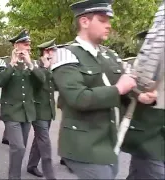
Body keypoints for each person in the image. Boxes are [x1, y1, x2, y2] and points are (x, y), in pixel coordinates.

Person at [50, 0, 157, 179]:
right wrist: (119, 89)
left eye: (109, 20)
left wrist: (142, 96)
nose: (109, 26)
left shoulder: (109, 54)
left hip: (110, 142)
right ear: (84, 22)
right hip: (84, 145)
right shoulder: (65, 54)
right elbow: (78, 98)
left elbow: (128, 86)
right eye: (102, 20)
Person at [0, 29, 46, 179]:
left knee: (20, 149)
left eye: (29, 44)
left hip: (27, 112)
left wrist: (30, 63)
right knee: (18, 147)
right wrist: (12, 64)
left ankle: (14, 173)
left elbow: (41, 81)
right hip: (11, 113)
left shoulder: (33, 64)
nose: (28, 47)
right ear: (16, 46)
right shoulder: (5, 63)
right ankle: (14, 177)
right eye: (25, 44)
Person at [122, 28, 165, 179]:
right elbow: (124, 91)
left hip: (161, 136)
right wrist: (140, 93)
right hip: (145, 138)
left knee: (137, 175)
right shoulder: (132, 66)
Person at [26, 39, 56, 179]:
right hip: (38, 111)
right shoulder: (36, 66)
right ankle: (50, 174)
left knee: (39, 140)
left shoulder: (50, 67)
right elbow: (42, 80)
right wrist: (45, 67)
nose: (55, 53)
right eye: (53, 51)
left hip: (48, 110)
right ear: (46, 52)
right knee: (45, 143)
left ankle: (31, 166)